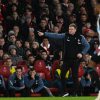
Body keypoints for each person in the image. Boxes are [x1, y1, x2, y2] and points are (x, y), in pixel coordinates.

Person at [38, 23, 90, 96]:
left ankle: (73, 92)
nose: (70, 30)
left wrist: (82, 53)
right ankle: (65, 92)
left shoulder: (80, 37)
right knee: (62, 75)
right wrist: (44, 34)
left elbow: (87, 46)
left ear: (75, 30)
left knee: (75, 77)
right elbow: (55, 35)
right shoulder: (65, 35)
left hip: (75, 60)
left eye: (71, 29)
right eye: (69, 29)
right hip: (66, 60)